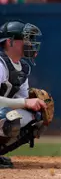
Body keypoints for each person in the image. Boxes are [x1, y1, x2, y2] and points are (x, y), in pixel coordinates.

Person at [0, 20, 48, 168]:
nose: (29, 43)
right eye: (25, 39)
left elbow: (22, 100)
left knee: (36, 116)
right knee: (7, 118)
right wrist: (25, 103)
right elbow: (21, 103)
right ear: (10, 42)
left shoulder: (22, 69)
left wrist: (34, 103)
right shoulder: (0, 64)